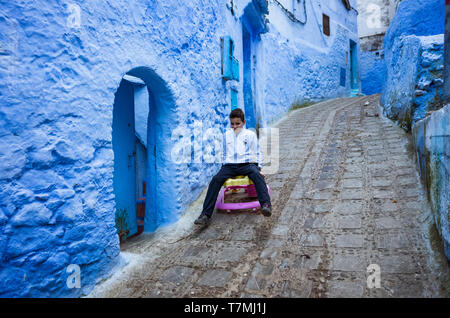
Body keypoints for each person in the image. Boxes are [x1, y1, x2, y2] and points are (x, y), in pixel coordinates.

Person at [194, 108, 272, 226]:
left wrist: (259, 168)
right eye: (232, 124)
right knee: (215, 180)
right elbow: (224, 153)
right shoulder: (226, 135)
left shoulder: (250, 135)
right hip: (229, 166)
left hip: (247, 164)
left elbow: (257, 153)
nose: (234, 126)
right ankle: (205, 214)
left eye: (237, 124)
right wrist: (223, 168)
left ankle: (265, 205)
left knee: (257, 175)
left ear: (243, 123)